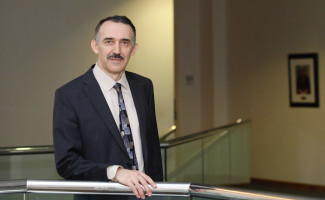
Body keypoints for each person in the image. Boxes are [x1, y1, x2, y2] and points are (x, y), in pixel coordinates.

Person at [53, 15, 163, 199]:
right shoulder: (69, 95)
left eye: (125, 42)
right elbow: (67, 163)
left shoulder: (144, 87)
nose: (117, 50)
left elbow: (153, 151)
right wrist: (116, 172)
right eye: (109, 41)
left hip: (146, 196)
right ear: (95, 46)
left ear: (134, 49)